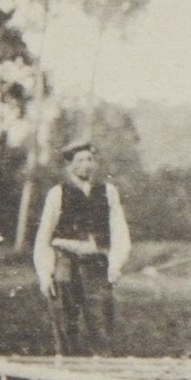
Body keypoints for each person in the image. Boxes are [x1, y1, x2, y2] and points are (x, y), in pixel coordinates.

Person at [33, 138, 131, 356]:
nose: (87, 164)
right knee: (67, 324)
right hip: (65, 264)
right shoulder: (57, 194)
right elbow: (44, 237)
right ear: (70, 165)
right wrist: (45, 273)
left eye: (90, 159)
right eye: (80, 160)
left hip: (96, 264)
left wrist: (115, 264)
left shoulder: (108, 192)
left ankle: (103, 379)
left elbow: (119, 230)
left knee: (101, 324)